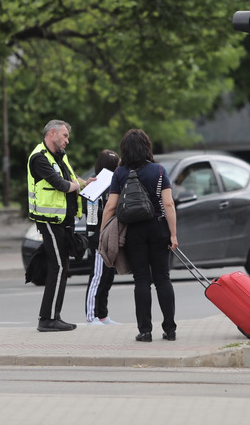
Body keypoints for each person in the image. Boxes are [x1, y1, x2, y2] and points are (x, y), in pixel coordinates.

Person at [102, 128, 178, 342]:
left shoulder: (119, 173)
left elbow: (111, 206)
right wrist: (173, 234)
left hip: (133, 231)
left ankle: (145, 331)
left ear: (124, 149)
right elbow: (168, 203)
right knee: (163, 278)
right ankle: (170, 329)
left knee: (141, 280)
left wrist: (103, 233)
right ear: (147, 147)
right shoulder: (159, 170)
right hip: (158, 227)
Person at [27, 119, 95, 332]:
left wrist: (85, 183)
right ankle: (46, 320)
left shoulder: (59, 156)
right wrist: (75, 185)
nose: (68, 140)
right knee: (57, 265)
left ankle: (54, 316)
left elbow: (72, 179)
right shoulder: (39, 158)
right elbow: (62, 184)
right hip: (48, 221)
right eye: (65, 136)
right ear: (52, 133)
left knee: (63, 266)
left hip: (63, 222)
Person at [84, 149, 121, 326]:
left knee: (108, 277)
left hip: (111, 236)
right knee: (98, 276)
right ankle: (91, 316)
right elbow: (90, 215)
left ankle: (103, 315)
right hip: (99, 238)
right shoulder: (95, 184)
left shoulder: (115, 184)